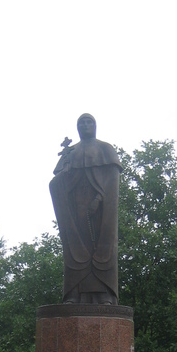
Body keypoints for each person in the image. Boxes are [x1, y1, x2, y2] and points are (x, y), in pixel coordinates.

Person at [49, 114, 121, 305]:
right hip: (77, 213)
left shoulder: (105, 150)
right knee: (74, 250)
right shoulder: (70, 153)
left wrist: (98, 199)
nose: (86, 125)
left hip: (100, 214)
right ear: (77, 127)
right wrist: (64, 175)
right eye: (82, 122)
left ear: (95, 126)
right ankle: (73, 294)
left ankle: (105, 295)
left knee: (104, 250)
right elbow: (59, 184)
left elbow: (111, 184)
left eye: (89, 122)